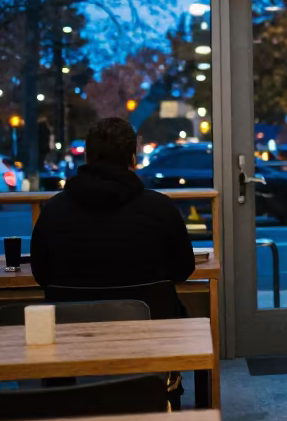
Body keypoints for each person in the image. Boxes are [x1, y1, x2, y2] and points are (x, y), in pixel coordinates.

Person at [31, 117, 195, 291]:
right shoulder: (161, 208)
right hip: (149, 308)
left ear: (87, 156)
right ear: (132, 158)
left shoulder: (54, 210)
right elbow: (183, 269)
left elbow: (41, 274)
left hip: (72, 309)